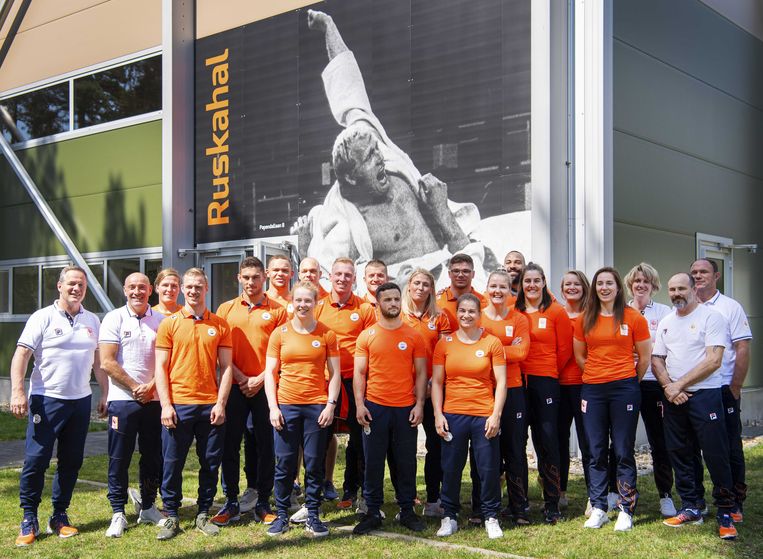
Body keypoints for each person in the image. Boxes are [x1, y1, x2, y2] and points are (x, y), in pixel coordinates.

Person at [292, 9, 486, 285]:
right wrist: (304, 248)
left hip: (449, 273)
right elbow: (321, 278)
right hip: (400, 296)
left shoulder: (381, 152)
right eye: (370, 157)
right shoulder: (342, 220)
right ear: (351, 176)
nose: (380, 157)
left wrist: (329, 27)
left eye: (377, 150)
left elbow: (348, 89)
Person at [11, 266, 107, 547]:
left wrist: (105, 393)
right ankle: (29, 517)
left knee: (71, 461)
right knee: (36, 460)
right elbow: (22, 355)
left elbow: (98, 362)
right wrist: (17, 391)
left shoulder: (92, 320)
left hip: (80, 401)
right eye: (72, 284)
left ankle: (59, 515)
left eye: (81, 285)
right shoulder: (42, 317)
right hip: (46, 399)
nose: (76, 289)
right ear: (60, 286)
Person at [651, 273, 737, 540]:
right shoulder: (667, 322)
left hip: (705, 395)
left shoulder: (712, 317)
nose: (676, 293)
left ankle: (726, 511)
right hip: (675, 399)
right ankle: (692, 506)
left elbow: (713, 360)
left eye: (681, 288)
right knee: (680, 453)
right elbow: (657, 358)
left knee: (715, 454)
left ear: (693, 289)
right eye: (672, 289)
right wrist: (669, 386)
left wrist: (678, 385)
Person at [153, 268, 234, 540]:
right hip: (179, 405)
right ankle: (172, 515)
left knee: (210, 463)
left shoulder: (220, 324)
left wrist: (221, 403)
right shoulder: (170, 324)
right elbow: (161, 368)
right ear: (182, 289)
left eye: (198, 286)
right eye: (189, 286)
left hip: (210, 405)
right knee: (172, 463)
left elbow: (226, 368)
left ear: (206, 288)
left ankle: (202, 512)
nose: (193, 291)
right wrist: (166, 405)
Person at [573, 267, 651, 532]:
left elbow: (645, 357)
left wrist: (628, 381)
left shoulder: (633, 317)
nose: (604, 288)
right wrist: (597, 374)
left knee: (622, 450)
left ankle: (626, 509)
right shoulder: (585, 318)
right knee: (596, 450)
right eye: (600, 283)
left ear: (618, 288)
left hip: (624, 389)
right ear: (594, 288)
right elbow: (580, 355)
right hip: (593, 390)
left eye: (609, 283)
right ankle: (599, 507)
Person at [263, 281, 342, 537]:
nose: (303, 305)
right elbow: (270, 373)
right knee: (285, 463)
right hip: (287, 406)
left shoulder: (327, 334)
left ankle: (313, 514)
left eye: (308, 300)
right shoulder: (280, 334)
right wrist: (273, 407)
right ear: (292, 302)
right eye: (298, 300)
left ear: (316, 303)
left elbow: (335, 374)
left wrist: (330, 405)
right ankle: (282, 515)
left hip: (316, 406)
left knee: (314, 463)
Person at [213, 257, 288, 526]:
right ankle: (231, 501)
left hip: (266, 387)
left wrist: (259, 378)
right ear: (239, 278)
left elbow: (283, 351)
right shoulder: (225, 309)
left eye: (256, 277)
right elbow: (219, 351)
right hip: (233, 387)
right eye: (246, 277)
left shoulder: (279, 310)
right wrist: (241, 377)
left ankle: (263, 501)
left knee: (266, 445)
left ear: (264, 278)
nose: (251, 282)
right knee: (230, 445)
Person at [351, 283, 428, 535]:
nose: (393, 303)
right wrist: (360, 404)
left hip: (405, 408)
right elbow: (360, 373)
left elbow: (421, 373)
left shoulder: (414, 336)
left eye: (396, 299)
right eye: (387, 300)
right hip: (375, 407)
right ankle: (372, 511)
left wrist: (419, 404)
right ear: (378, 303)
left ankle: (407, 510)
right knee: (373, 462)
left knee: (406, 462)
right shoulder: (367, 336)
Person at [431, 293, 508, 539]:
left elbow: (502, 382)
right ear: (457, 314)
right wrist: (438, 414)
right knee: (451, 468)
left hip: (483, 415)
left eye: (471, 311)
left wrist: (496, 415)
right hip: (453, 414)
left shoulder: (492, 343)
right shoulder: (445, 343)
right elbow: (437, 383)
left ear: (479, 314)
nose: (466, 315)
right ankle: (449, 516)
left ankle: (491, 516)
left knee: (488, 468)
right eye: (462, 311)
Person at [99, 273, 166, 538]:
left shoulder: (161, 320)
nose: (137, 291)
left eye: (142, 287)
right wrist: (135, 387)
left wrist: (150, 387)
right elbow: (107, 361)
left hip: (154, 400)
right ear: (125, 290)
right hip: (123, 401)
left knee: (152, 456)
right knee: (119, 458)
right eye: (132, 287)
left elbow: (167, 362)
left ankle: (148, 506)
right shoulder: (113, 318)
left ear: (150, 290)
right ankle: (118, 512)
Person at [690, 258, 752, 521]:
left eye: (703, 272)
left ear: (716, 276)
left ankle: (735, 500)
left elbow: (742, 347)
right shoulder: (686, 306)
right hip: (695, 389)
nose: (698, 276)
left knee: (729, 447)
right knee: (693, 447)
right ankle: (696, 500)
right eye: (694, 272)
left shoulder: (730, 307)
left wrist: (735, 385)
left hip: (724, 388)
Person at [313, 258, 376, 511]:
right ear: (330, 277)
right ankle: (314, 493)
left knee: (359, 440)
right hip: (324, 382)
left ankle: (355, 491)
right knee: (319, 438)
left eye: (347, 275)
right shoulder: (318, 307)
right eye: (338, 274)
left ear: (354, 279)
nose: (342, 279)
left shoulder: (365, 309)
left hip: (354, 382)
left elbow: (372, 346)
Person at [515, 262, 572, 524]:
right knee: (517, 443)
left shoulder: (556, 311)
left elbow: (565, 349)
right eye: (527, 281)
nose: (532, 285)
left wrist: (548, 371)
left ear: (544, 282)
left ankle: (552, 502)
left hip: (546, 381)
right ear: (522, 284)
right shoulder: (514, 311)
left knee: (547, 441)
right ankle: (519, 502)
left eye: (536, 280)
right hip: (517, 382)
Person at [623, 263, 675, 517]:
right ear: (630, 284)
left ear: (653, 286)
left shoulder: (665, 312)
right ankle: (618, 492)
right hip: (627, 382)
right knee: (622, 441)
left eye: (646, 281)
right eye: (637, 281)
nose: (641, 285)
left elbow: (666, 346)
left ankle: (665, 495)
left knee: (659, 441)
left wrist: (644, 351)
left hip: (654, 383)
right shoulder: (622, 311)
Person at [480, 270, 531, 524]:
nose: (497, 291)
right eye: (493, 286)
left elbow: (521, 352)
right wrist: (506, 347)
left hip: (513, 389)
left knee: (515, 449)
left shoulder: (519, 318)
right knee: (484, 450)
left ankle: (518, 506)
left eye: (503, 287)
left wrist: (489, 350)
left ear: (510, 290)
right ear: (487, 288)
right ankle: (482, 506)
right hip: (483, 390)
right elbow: (469, 347)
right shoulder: (477, 317)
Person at [401, 268, 451, 517]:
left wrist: (433, 382)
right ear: (409, 285)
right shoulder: (399, 315)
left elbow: (445, 353)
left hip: (433, 389)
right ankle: (406, 499)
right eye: (417, 283)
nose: (420, 288)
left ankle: (433, 498)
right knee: (404, 449)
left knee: (435, 445)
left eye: (425, 284)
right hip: (404, 391)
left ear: (432, 289)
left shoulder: (440, 317)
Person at [558, 270, 593, 513]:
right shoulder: (556, 314)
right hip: (558, 386)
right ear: (562, 290)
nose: (572, 288)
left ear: (584, 287)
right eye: (567, 284)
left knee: (588, 441)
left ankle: (595, 494)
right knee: (558, 441)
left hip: (585, 385)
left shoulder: (592, 315)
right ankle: (559, 492)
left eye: (576, 284)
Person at [436, 253, 487, 331]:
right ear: (449, 274)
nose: (460, 275)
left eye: (465, 271)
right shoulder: (436, 302)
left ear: (473, 274)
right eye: (456, 271)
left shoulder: (483, 302)